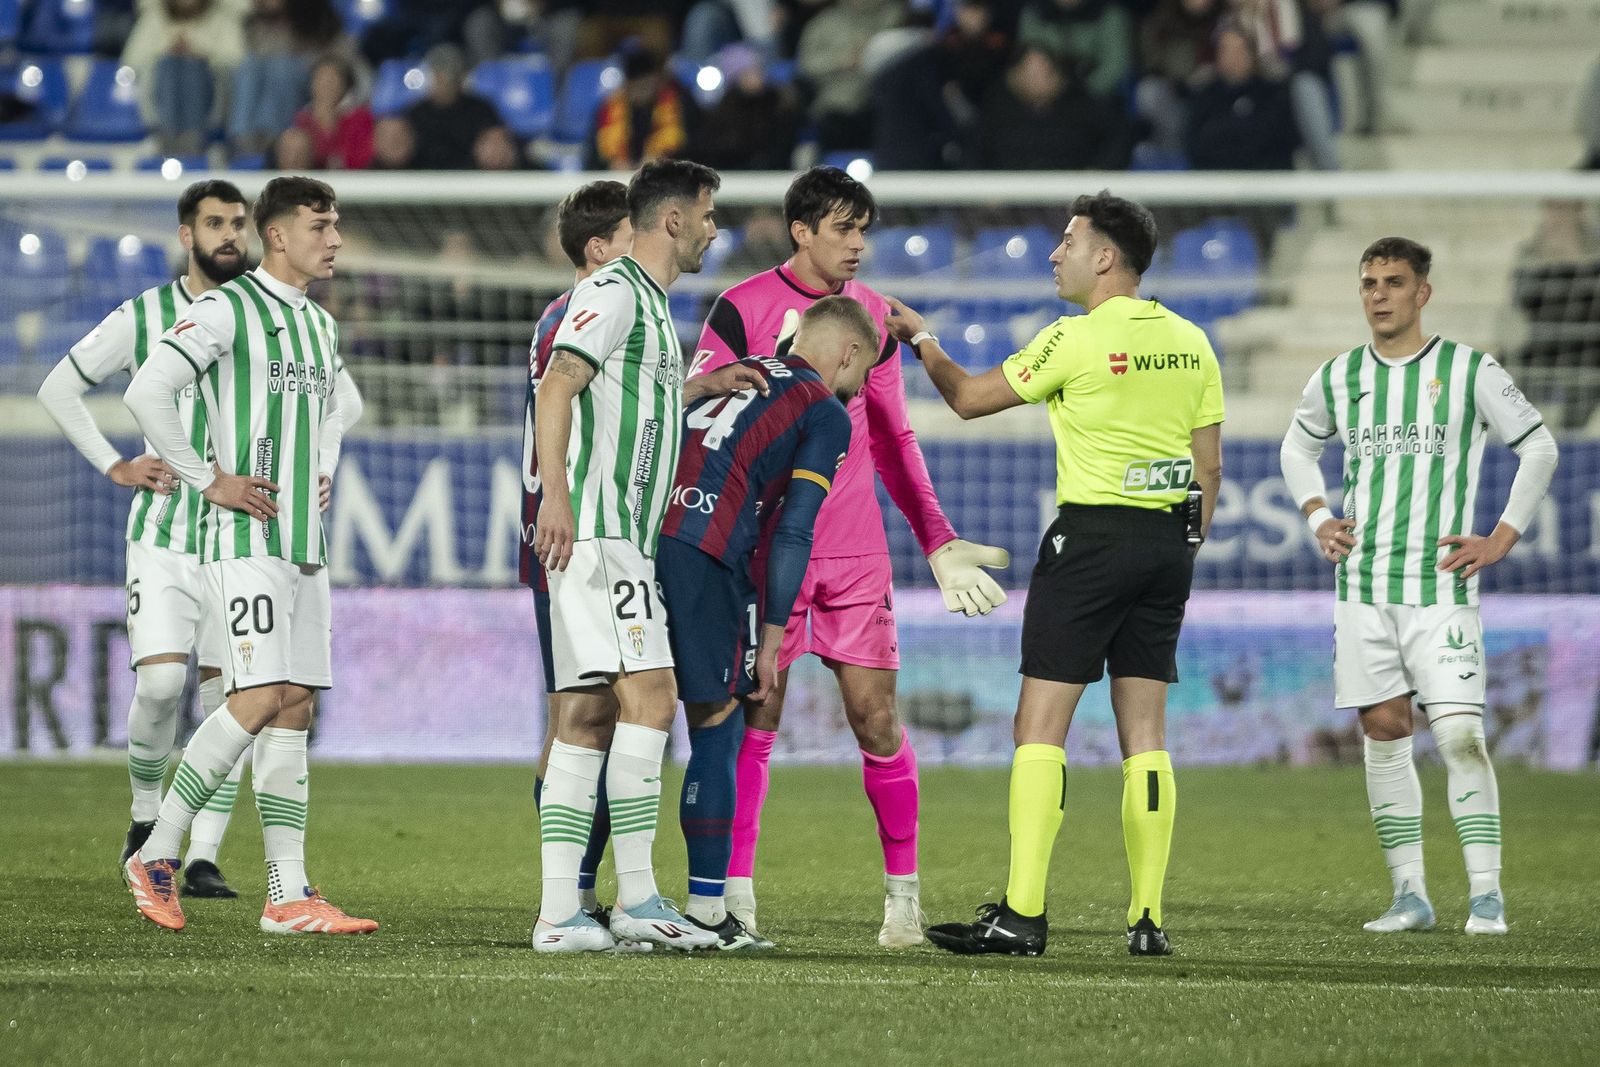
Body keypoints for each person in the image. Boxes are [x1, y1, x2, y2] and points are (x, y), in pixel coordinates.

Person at [890, 190, 1225, 957]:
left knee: (1040, 727)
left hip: (1092, 539)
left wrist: (925, 339)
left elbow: (970, 399)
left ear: (1105, 257)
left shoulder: (1075, 337)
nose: (1054, 252)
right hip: (1170, 541)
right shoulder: (1194, 342)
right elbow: (1210, 470)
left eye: (1068, 240)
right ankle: (1146, 920)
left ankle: (1024, 913)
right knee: (1146, 732)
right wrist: (1177, 548)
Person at [692, 166, 1010, 948]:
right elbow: (699, 401)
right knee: (757, 716)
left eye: (864, 228)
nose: (859, 244)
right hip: (769, 546)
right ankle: (737, 896)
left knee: (875, 717)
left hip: (855, 553)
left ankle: (903, 898)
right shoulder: (741, 308)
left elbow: (895, 438)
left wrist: (935, 539)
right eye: (844, 228)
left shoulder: (871, 316)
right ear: (801, 231)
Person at [1278, 236, 1559, 936]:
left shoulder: (1468, 370)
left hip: (1440, 590)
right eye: (1369, 281)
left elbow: (1539, 445)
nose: (1378, 293)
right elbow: (1297, 445)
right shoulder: (1341, 375)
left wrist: (1502, 536)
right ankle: (1411, 894)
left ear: (1422, 292)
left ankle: (1487, 894)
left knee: (1461, 733)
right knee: (1383, 730)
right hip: (1363, 588)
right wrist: (1317, 514)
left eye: (1393, 281)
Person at [121, 176, 373, 936]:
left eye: (335, 226)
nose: (334, 239)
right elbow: (147, 390)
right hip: (245, 537)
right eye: (321, 226)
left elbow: (336, 409)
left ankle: (289, 894)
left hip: (302, 540)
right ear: (278, 236)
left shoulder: (319, 327)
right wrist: (208, 480)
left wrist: (321, 462)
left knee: (295, 702)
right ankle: (158, 848)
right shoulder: (227, 308)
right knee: (257, 695)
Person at [529, 160, 765, 953]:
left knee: (587, 716)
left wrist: (701, 387)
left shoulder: (654, 309)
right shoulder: (614, 289)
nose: (712, 229)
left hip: (613, 535)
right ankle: (637, 900)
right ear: (672, 219)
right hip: (599, 532)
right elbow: (558, 385)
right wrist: (557, 496)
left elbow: (626, 397)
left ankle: (561, 914)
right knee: (655, 699)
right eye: (707, 214)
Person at [36, 180, 254, 900]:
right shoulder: (145, 315)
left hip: (240, 535)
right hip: (163, 534)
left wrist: (315, 467)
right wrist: (116, 464)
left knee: (233, 700)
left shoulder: (265, 314)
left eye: (239, 223)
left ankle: (201, 856)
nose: (230, 234)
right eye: (215, 223)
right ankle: (142, 819)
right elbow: (59, 388)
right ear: (187, 236)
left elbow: (326, 394)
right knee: (162, 685)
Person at [662, 296, 871, 951]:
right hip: (706, 548)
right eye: (861, 372)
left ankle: (587, 898)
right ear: (846, 352)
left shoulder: (738, 372)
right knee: (718, 726)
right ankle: (705, 910)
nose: (860, 386)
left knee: (625, 727)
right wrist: (773, 641)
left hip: (641, 536)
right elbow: (795, 531)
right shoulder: (824, 410)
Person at [519, 179, 634, 934]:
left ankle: (579, 892)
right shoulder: (587, 311)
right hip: (572, 528)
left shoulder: (564, 315)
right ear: (600, 249)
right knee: (585, 714)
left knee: (583, 713)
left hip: (567, 526)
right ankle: (572, 895)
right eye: (635, 234)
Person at [402, 43, 509, 170]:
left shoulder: (481, 110)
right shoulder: (416, 113)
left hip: (473, 179)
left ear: (461, 78)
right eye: (439, 75)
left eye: (450, 76)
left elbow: (496, 147)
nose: (444, 83)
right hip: (423, 180)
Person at [275, 56, 375, 171]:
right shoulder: (303, 118)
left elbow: (363, 157)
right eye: (320, 79)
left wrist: (332, 123)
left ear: (345, 85)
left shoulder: (360, 117)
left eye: (332, 80)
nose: (325, 85)